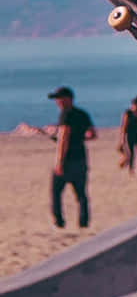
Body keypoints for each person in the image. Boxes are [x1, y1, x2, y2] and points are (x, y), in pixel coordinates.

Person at [49, 85, 95, 229]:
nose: (57, 102)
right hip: (81, 158)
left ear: (67, 99)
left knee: (56, 192)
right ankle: (84, 223)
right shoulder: (82, 114)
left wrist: (59, 162)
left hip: (68, 160)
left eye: (59, 99)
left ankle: (59, 222)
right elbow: (92, 134)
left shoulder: (65, 114)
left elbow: (63, 138)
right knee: (81, 194)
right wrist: (80, 137)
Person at [118, 95, 137, 171]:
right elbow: (124, 126)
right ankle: (131, 169)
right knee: (132, 153)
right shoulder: (128, 113)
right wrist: (122, 139)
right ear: (134, 104)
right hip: (130, 135)